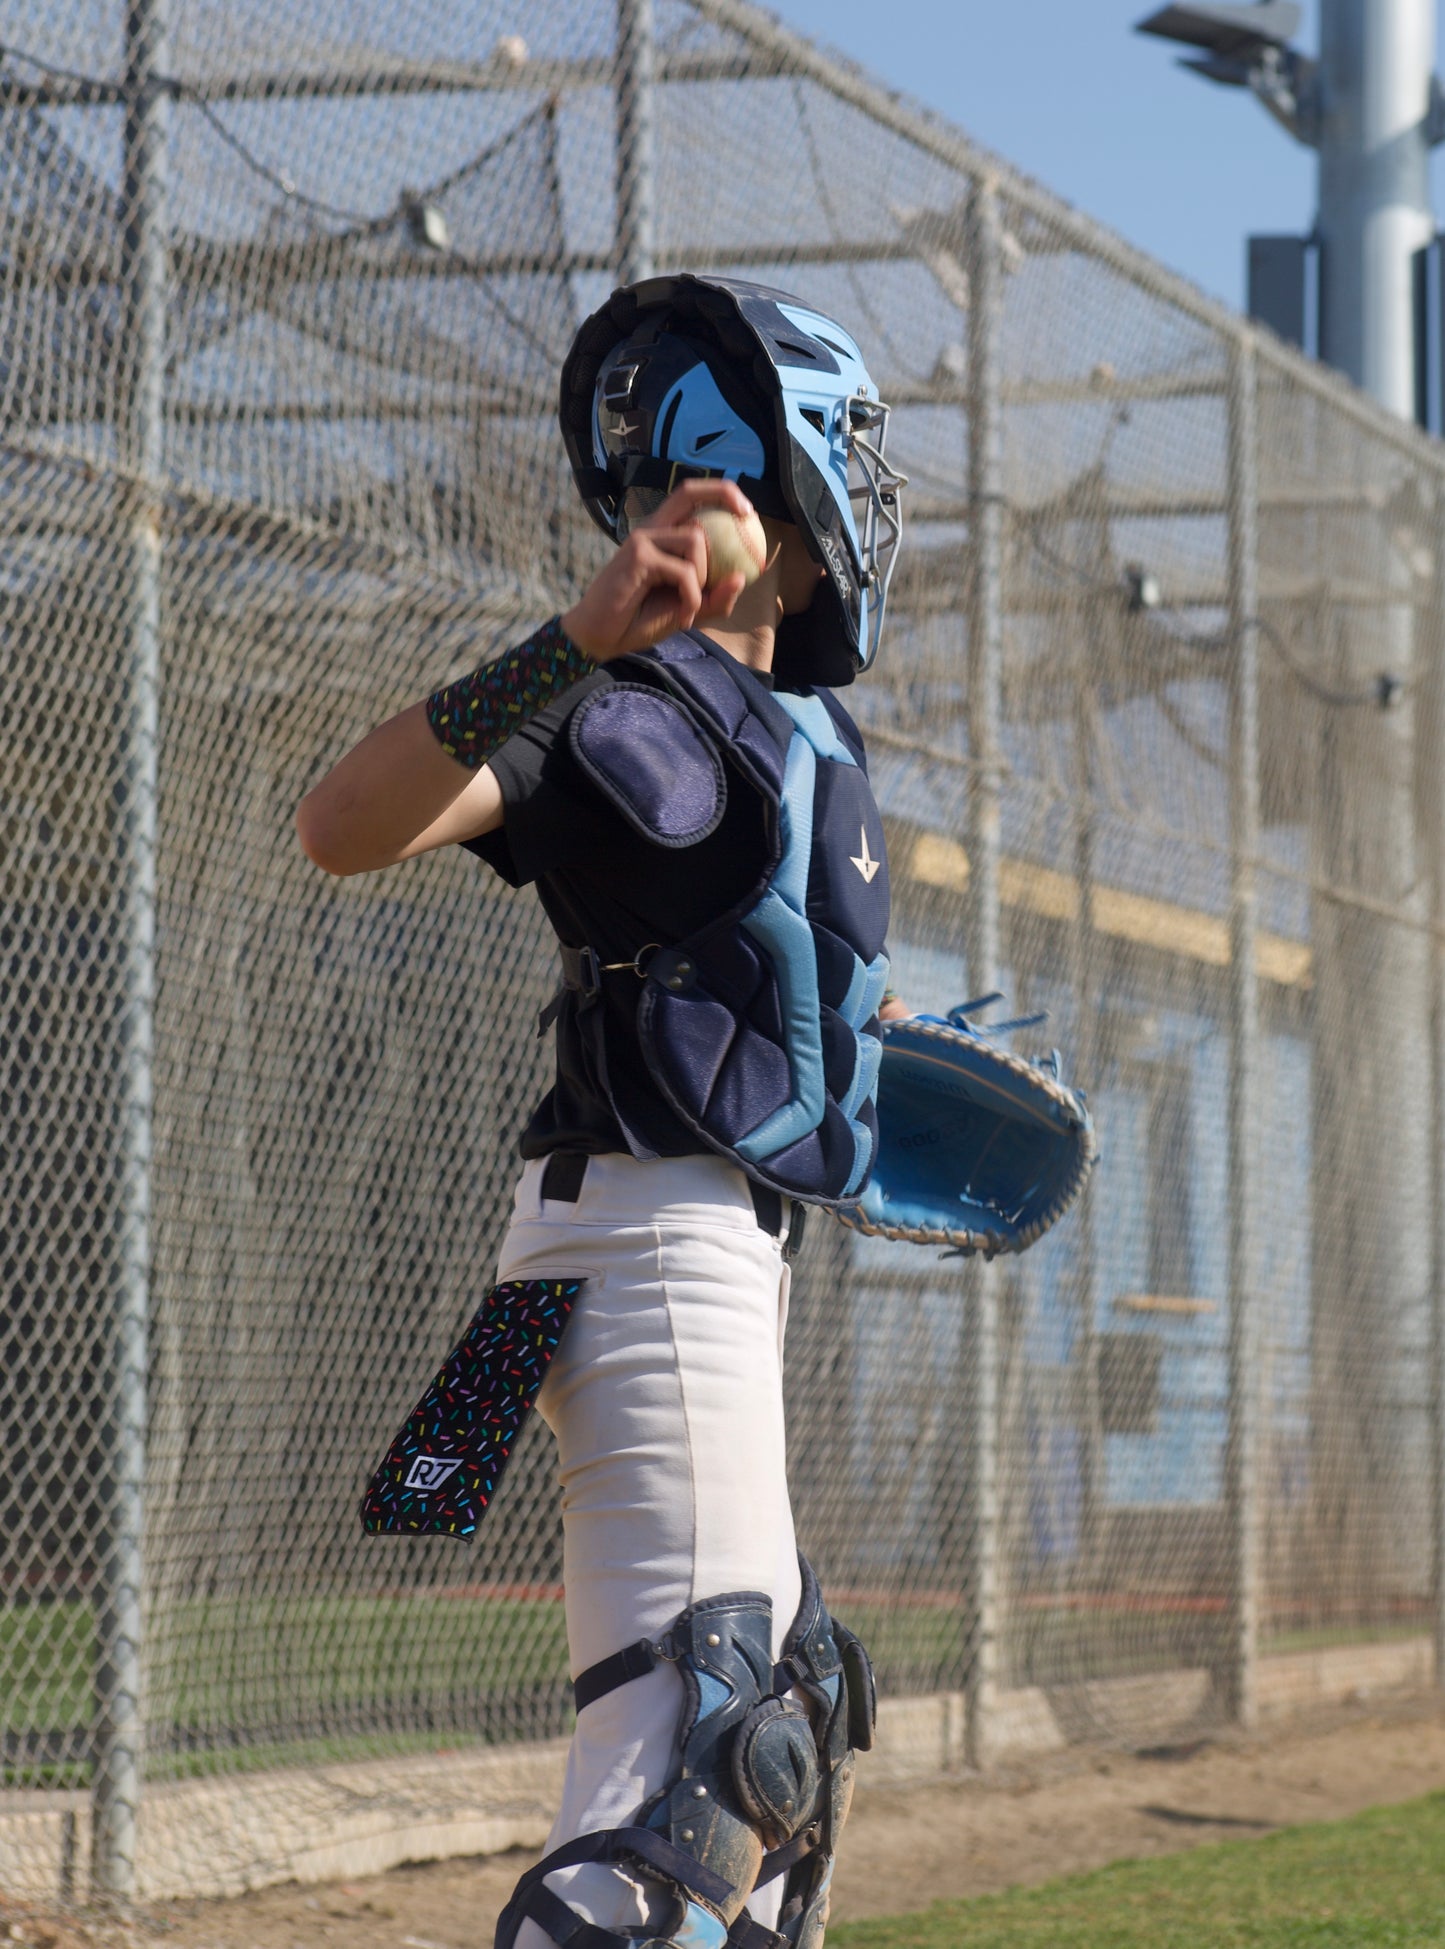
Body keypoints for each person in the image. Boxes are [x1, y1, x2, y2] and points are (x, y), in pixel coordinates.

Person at [296, 274, 907, 1949]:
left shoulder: (801, 733)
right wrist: (574, 641)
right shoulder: (623, 705)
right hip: (645, 1245)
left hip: (702, 1256)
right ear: (789, 481)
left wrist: (878, 1051)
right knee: (697, 1784)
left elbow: (751, 986)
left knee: (772, 1792)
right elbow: (341, 823)